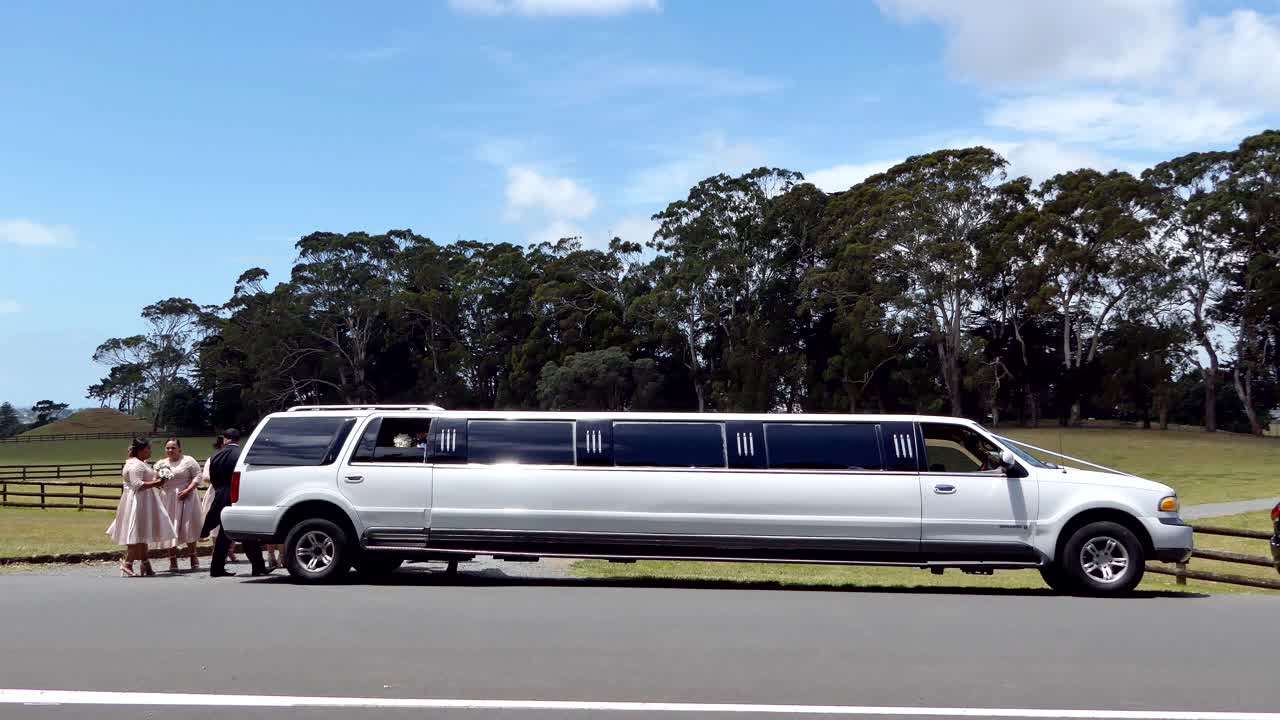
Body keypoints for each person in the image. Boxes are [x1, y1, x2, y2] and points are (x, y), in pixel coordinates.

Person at [106, 438, 176, 577]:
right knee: (136, 532)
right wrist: (158, 482)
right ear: (140, 450)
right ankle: (128, 563)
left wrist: (161, 475)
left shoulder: (139, 463)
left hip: (144, 500)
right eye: (147, 449)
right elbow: (137, 484)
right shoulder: (135, 465)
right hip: (138, 501)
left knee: (142, 532)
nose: (150, 451)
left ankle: (146, 564)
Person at [201, 428, 266, 577]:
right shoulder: (242, 455)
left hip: (221, 496)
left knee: (224, 534)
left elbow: (214, 479)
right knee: (247, 532)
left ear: (225, 439)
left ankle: (216, 568)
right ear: (238, 440)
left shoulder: (215, 456)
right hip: (239, 496)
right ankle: (258, 567)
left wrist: (220, 491)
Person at [157, 437, 205, 571]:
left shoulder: (188, 461)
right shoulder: (161, 463)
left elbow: (198, 476)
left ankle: (193, 556)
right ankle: (172, 559)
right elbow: (156, 479)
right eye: (168, 448)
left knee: (187, 525)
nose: (170, 450)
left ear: (179, 449)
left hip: (187, 496)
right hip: (168, 498)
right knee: (170, 526)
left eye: (173, 447)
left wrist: (188, 490)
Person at [200, 435, 237, 564]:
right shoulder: (213, 458)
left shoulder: (234, 457)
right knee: (215, 525)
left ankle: (229, 550)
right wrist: (219, 479)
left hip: (231, 490)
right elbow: (205, 476)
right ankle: (218, 553)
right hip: (216, 490)